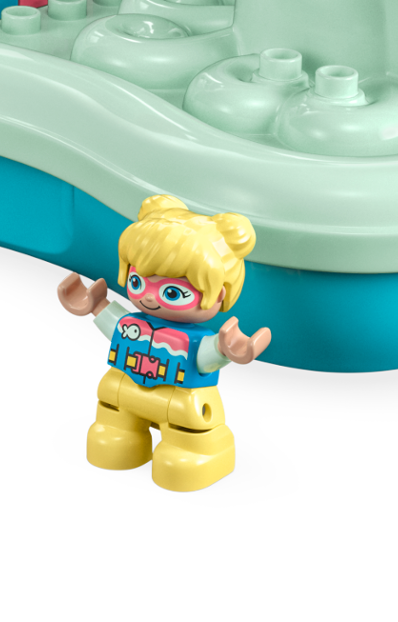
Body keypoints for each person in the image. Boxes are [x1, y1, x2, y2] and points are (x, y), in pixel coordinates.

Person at [57, 194, 271, 491]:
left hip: (181, 403)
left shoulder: (195, 340)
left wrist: (226, 350)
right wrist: (94, 305)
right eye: (137, 281)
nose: (148, 296)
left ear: (219, 294)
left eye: (172, 292)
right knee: (112, 428)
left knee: (183, 450)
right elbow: (117, 327)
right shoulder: (132, 323)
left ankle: (194, 450)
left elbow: (205, 356)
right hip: (124, 392)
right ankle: (121, 433)